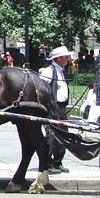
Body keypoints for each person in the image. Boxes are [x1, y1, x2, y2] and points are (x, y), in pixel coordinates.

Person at [40, 45, 73, 174]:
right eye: (66, 57)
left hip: (61, 107)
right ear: (58, 58)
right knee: (52, 135)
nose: (68, 59)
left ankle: (58, 161)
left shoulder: (61, 70)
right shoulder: (50, 71)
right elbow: (43, 88)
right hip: (53, 107)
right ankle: (47, 163)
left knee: (63, 135)